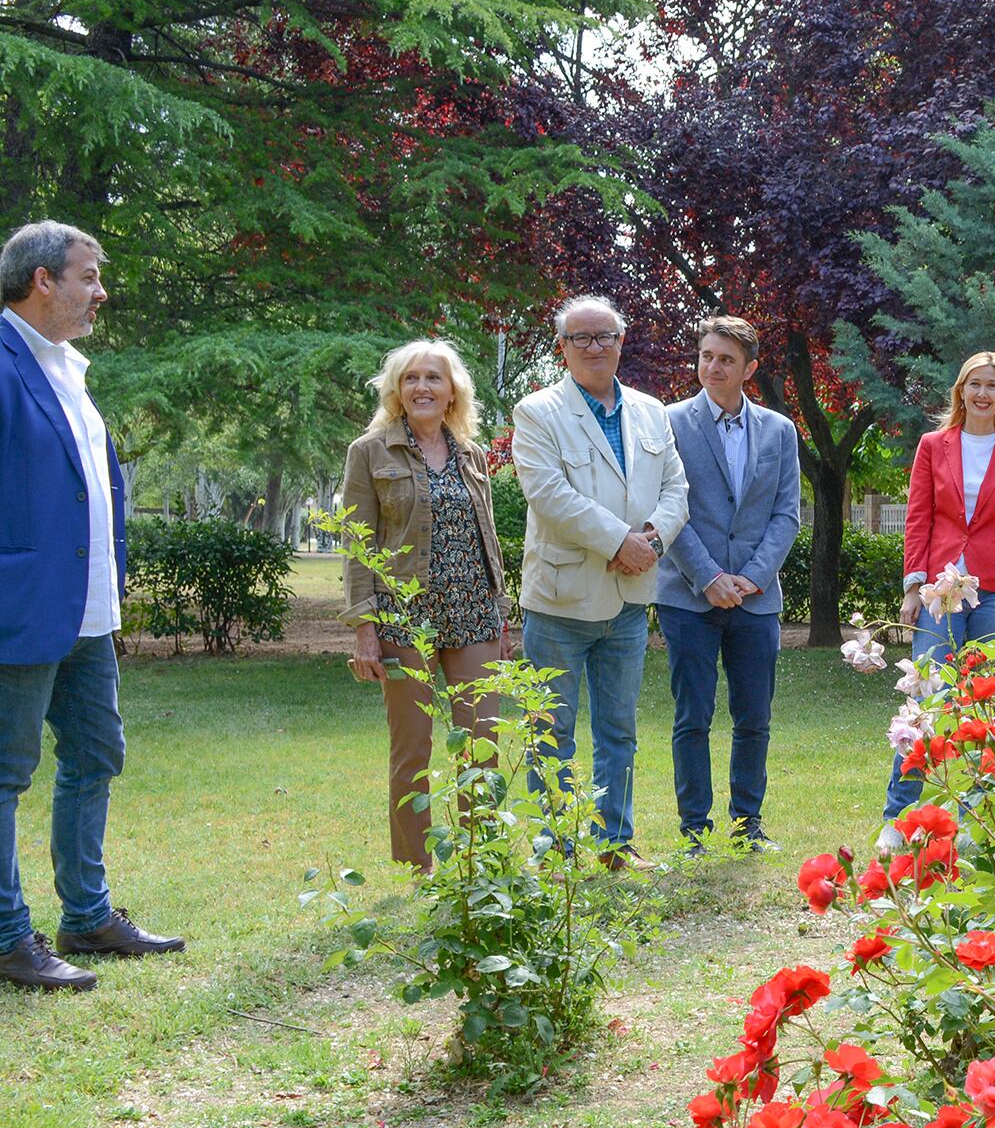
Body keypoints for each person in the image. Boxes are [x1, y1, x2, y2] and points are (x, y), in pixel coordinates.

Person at [0, 219, 186, 991]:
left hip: (87, 615)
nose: (101, 291)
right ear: (43, 281)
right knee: (1, 773)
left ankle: (86, 916)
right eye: (89, 276)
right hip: (11, 614)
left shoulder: (69, 368)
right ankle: (6, 940)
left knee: (96, 755)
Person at [511, 296, 689, 872]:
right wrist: (621, 542)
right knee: (551, 732)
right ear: (561, 347)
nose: (593, 347)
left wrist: (653, 542)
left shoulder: (650, 411)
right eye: (580, 338)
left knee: (619, 730)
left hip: (630, 601)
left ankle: (616, 844)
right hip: (560, 602)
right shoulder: (536, 412)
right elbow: (550, 497)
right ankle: (556, 849)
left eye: (604, 336)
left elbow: (676, 492)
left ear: (621, 342)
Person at [340, 339, 513, 874]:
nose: (422, 387)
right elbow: (357, 545)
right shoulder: (369, 452)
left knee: (481, 740)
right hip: (404, 620)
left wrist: (501, 613)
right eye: (411, 378)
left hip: (474, 614)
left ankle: (477, 861)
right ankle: (419, 865)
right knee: (413, 746)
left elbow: (485, 537)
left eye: (433, 378)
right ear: (396, 390)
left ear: (453, 391)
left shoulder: (472, 455)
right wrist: (365, 631)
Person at [876, 351, 995, 848]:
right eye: (975, 384)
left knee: (980, 706)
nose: (983, 394)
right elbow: (918, 518)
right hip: (938, 592)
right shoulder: (933, 445)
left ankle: (973, 820)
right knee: (924, 702)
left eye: (993, 386)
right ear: (961, 391)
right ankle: (897, 819)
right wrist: (912, 586)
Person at [658, 316, 803, 853]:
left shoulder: (780, 430)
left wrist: (752, 578)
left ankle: (748, 826)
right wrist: (709, 578)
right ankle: (695, 831)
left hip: (757, 601)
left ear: (750, 369)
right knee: (692, 717)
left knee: (754, 718)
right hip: (687, 596)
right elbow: (667, 509)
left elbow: (787, 514)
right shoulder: (669, 423)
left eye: (725, 359)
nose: (712, 367)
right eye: (706, 356)